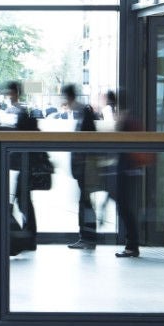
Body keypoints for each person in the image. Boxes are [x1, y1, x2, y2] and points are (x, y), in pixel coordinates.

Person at [62, 85, 103, 251]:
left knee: (85, 203)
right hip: (84, 167)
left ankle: (88, 238)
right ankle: (86, 237)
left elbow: (86, 140)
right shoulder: (81, 112)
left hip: (86, 167)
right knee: (85, 202)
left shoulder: (84, 112)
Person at [104, 90, 144, 258]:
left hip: (126, 168)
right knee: (124, 206)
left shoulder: (124, 118)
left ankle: (132, 245)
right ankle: (132, 244)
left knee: (125, 207)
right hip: (129, 168)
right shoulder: (128, 117)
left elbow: (119, 140)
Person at [4, 82, 42, 251]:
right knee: (23, 199)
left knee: (23, 199)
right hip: (23, 164)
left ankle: (30, 236)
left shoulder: (20, 112)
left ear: (15, 93)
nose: (9, 96)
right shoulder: (19, 111)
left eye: (10, 93)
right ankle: (30, 236)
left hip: (25, 163)